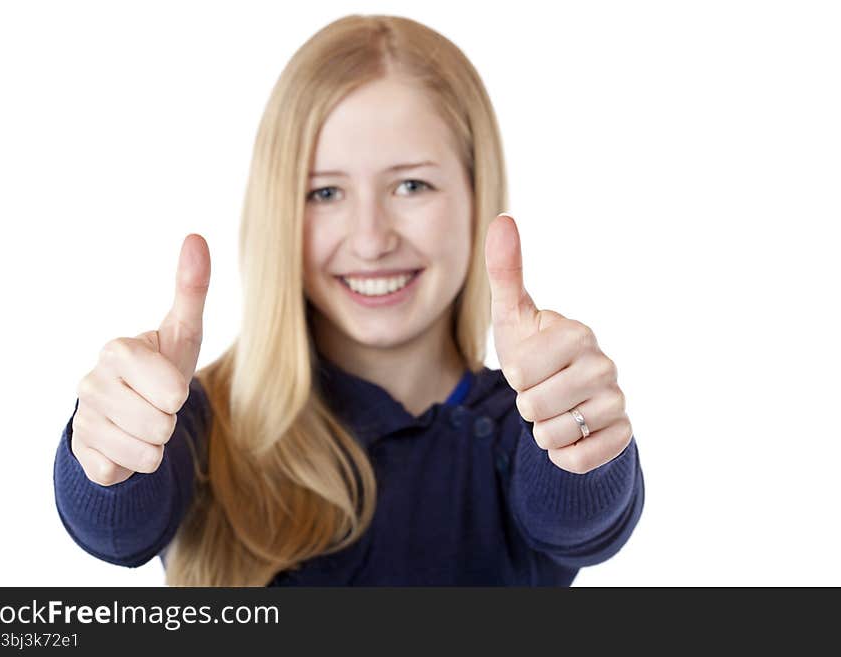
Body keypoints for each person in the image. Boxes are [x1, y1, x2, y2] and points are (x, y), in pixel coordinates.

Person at [53, 14, 645, 586]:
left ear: (475, 192)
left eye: (411, 185)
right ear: (279, 210)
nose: (370, 239)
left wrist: (582, 442)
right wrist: (107, 450)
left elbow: (582, 521)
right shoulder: (200, 423)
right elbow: (116, 529)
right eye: (325, 192)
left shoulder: (526, 428)